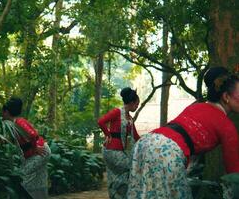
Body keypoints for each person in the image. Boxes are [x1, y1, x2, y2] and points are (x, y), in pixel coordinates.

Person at [127, 67, 239, 199]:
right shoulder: (226, 126)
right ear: (226, 97)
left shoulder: (196, 106)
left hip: (145, 143)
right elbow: (234, 175)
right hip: (167, 151)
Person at [1, 97, 51, 199]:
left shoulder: (18, 122)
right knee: (38, 180)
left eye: (3, 112)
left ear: (6, 112)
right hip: (39, 152)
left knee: (21, 176)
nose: (2, 115)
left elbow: (32, 135)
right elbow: (11, 140)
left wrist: (35, 148)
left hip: (40, 152)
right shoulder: (12, 125)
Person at [97, 87, 140, 199]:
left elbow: (135, 136)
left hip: (120, 151)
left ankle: (118, 195)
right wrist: (108, 134)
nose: (137, 107)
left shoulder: (130, 119)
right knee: (131, 167)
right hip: (111, 150)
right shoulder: (117, 112)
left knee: (120, 175)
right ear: (131, 102)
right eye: (136, 104)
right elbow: (101, 121)